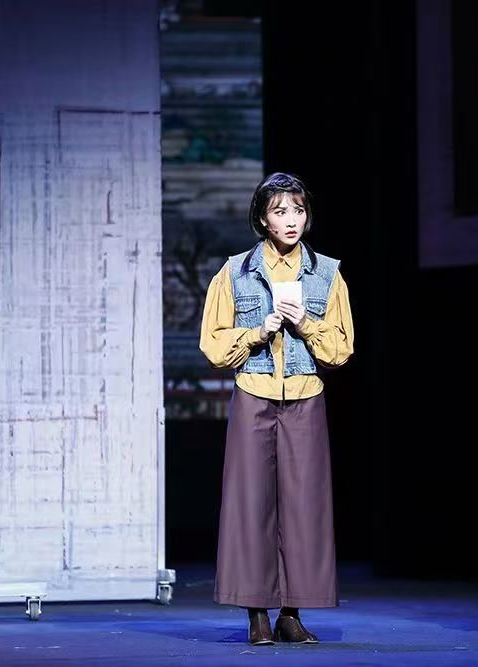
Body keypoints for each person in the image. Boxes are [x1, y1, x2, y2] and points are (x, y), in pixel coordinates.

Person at [199, 172, 354, 645]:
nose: (291, 220)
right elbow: (213, 343)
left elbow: (341, 349)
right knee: (250, 503)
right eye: (280, 211)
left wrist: (305, 323)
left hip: (305, 396)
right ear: (263, 219)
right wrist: (257, 332)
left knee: (304, 506)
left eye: (298, 210)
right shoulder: (236, 272)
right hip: (254, 393)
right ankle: (256, 614)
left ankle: (291, 612)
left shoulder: (326, 273)